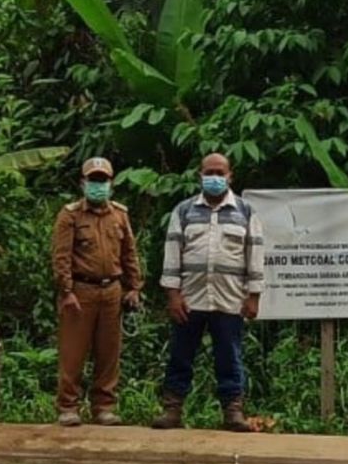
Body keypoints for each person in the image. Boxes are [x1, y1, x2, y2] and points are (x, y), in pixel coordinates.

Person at [153, 154, 265, 432]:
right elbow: (172, 254)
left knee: (229, 356)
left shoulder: (245, 211)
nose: (214, 177)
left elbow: (255, 255)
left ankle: (233, 413)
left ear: (230, 176)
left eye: (220, 172)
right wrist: (173, 295)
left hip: (229, 299)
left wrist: (254, 296)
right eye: (209, 172)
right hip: (190, 299)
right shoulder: (184, 211)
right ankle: (172, 410)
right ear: (199, 175)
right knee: (181, 355)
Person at [52, 157, 143, 427]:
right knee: (73, 352)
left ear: (111, 183)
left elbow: (129, 253)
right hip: (81, 290)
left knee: (109, 352)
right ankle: (68, 406)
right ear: (83, 183)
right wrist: (66, 291)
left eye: (103, 180)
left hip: (112, 290)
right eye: (93, 180)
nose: (98, 185)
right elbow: (61, 257)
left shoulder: (119, 214)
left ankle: (104, 406)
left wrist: (134, 287)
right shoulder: (70, 215)